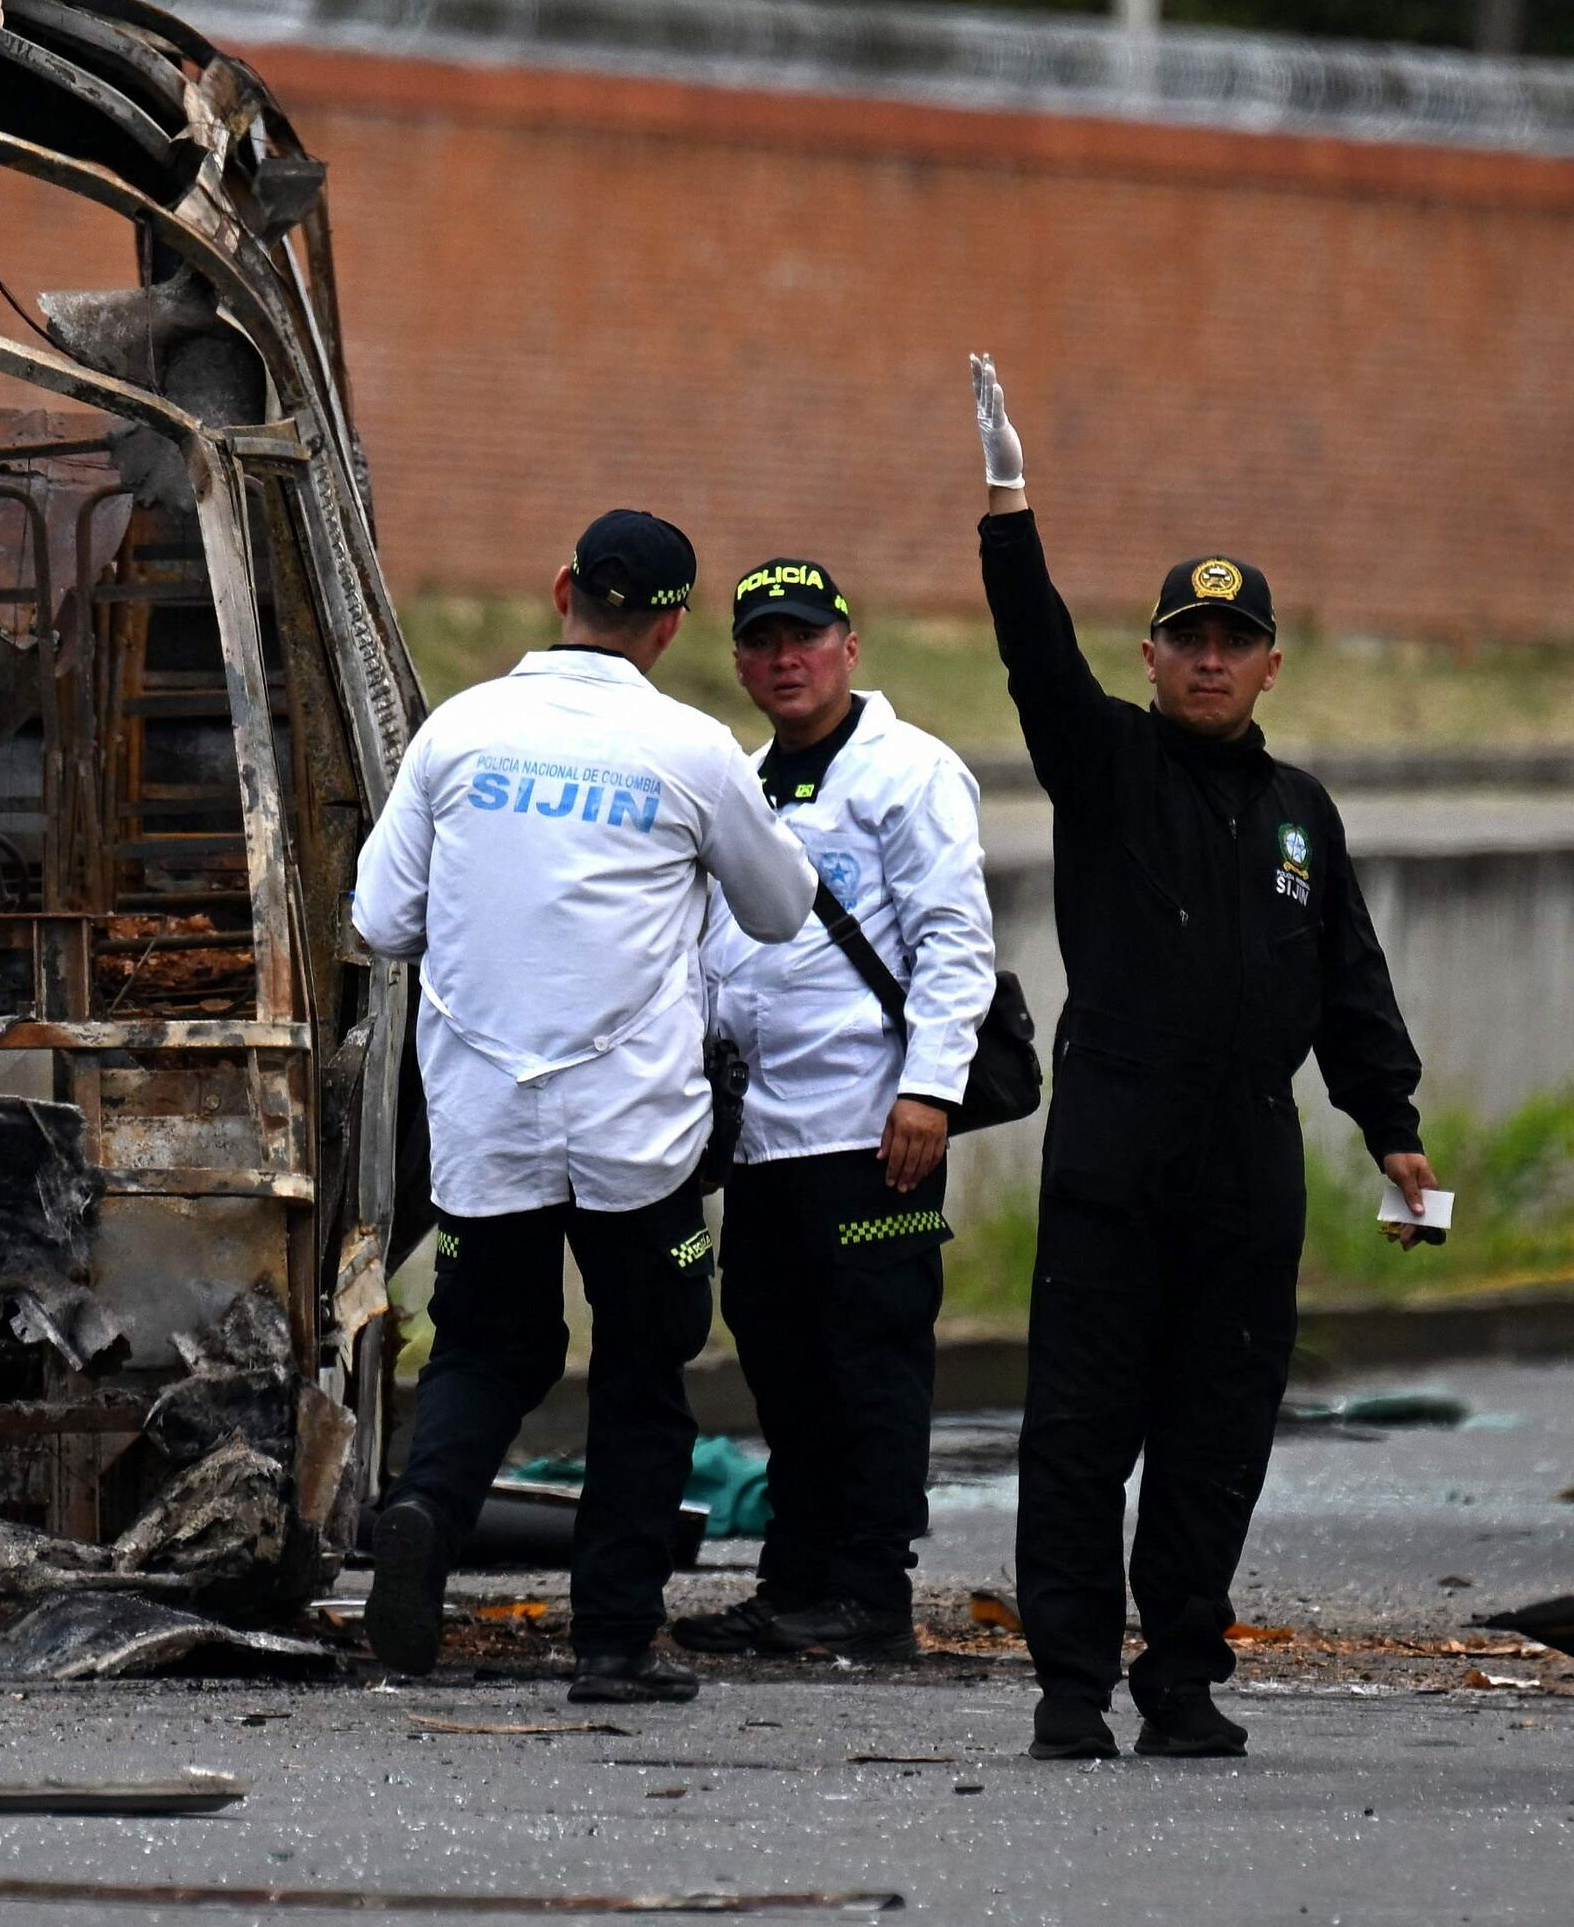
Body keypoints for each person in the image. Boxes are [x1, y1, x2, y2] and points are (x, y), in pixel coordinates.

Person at [969, 355, 1435, 1762]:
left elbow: (1348, 981)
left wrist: (1393, 1128)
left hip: (1249, 1154)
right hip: (1117, 1141)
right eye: (1188, 639)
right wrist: (1008, 509)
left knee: (1218, 1428)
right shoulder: (1107, 763)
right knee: (1081, 1425)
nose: (1211, 660)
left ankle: (1180, 1675)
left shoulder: (1301, 811)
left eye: (1235, 641)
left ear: (1271, 662)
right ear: (1153, 656)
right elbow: (1034, 654)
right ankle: (1069, 1686)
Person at [349, 509, 820, 1703]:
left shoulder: (458, 733)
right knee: (643, 1373)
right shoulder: (692, 749)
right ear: (671, 625)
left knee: (486, 1346)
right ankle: (613, 1643)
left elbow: (380, 920)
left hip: (484, 1118)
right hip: (635, 1128)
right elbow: (779, 910)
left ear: (561, 589)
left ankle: (424, 1512)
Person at [674, 558, 993, 1670]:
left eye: (805, 636)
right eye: (762, 641)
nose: (785, 658)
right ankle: (795, 1585)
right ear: (738, 661)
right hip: (764, 1136)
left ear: (849, 647)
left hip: (873, 1131)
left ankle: (870, 1594)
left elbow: (955, 942)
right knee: (780, 1360)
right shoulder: (740, 782)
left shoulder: (909, 773)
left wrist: (930, 1090)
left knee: (871, 1366)